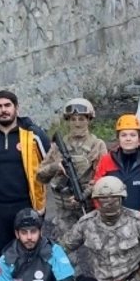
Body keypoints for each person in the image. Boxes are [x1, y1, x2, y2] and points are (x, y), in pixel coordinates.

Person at [0, 90, 50, 272]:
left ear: (16, 108)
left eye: (8, 105)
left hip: (26, 204)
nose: (3, 110)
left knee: (29, 250)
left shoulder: (33, 135)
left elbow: (51, 166)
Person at [36, 98, 106, 242]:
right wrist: (55, 166)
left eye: (81, 118)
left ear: (89, 119)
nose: (77, 123)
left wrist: (84, 195)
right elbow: (40, 176)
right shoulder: (58, 146)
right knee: (65, 253)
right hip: (64, 211)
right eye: (73, 119)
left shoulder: (97, 145)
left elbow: (103, 178)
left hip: (89, 208)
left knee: (97, 249)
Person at [93, 114, 140, 218]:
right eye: (124, 135)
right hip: (112, 220)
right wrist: (106, 215)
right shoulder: (107, 160)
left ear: (139, 138)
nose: (128, 139)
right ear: (118, 138)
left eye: (132, 135)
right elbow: (97, 190)